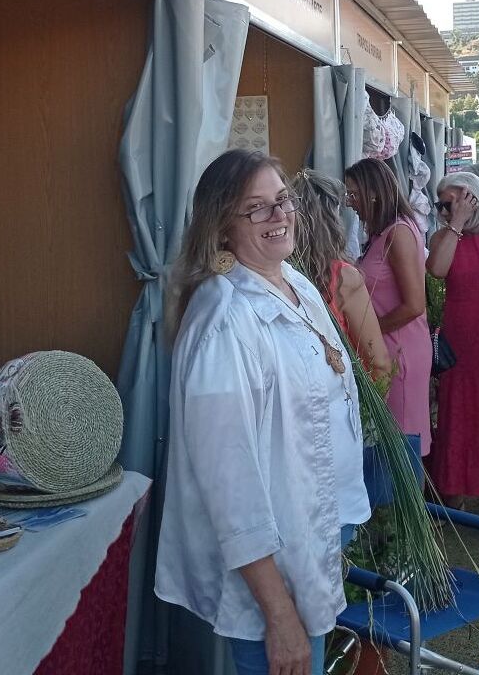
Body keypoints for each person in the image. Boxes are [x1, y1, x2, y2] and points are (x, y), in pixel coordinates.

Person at [155, 150, 370, 675]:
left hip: (311, 534)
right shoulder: (226, 320)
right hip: (270, 564)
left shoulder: (293, 285)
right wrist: (278, 613)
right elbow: (230, 486)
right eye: (256, 208)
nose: (279, 216)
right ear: (222, 227)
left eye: (282, 201)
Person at [426, 171, 479, 515]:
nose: (443, 211)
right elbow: (437, 270)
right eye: (440, 205)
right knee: (457, 411)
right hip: (461, 337)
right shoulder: (443, 237)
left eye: (448, 203)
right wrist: (456, 223)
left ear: (471, 197)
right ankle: (455, 491)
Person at [344, 158, 433, 457]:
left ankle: (411, 506)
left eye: (353, 194)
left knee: (405, 442)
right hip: (385, 348)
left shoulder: (399, 234)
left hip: (401, 349)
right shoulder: (380, 234)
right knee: (390, 441)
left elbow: (414, 305)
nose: (350, 203)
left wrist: (367, 329)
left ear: (374, 193)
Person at [289, 169, 392, 381]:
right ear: (332, 217)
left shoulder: (279, 272)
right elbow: (379, 363)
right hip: (338, 394)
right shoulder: (343, 278)